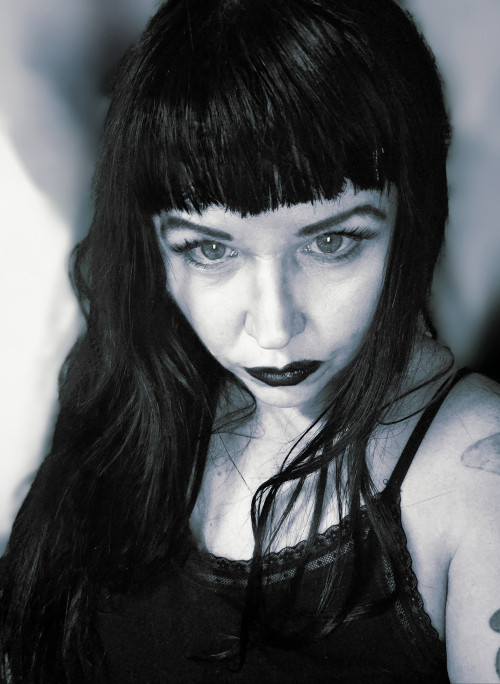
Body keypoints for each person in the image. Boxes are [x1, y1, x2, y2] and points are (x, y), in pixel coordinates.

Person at [1, 0, 499, 681]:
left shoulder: (477, 480)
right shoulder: (132, 412)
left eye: (333, 242)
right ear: (150, 246)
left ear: (415, 214)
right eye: (210, 250)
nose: (272, 327)